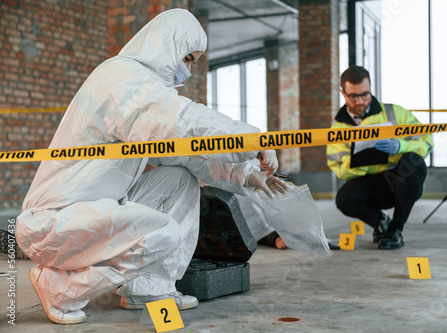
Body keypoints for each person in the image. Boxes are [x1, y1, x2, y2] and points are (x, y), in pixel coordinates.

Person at [15, 9, 288, 325]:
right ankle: (59, 288)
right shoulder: (120, 77)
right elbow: (181, 124)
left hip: (92, 211)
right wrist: (250, 139)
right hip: (53, 222)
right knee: (163, 232)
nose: (188, 69)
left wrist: (247, 174)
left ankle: (148, 288)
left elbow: (185, 153)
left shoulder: (141, 89)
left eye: (193, 62)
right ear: (167, 44)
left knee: (178, 179)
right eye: (187, 58)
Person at [326, 66, 433, 250]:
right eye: (353, 96)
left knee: (412, 160)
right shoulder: (338, 129)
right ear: (343, 93)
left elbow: (427, 141)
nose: (360, 101)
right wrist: (365, 160)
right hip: (374, 185)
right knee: (344, 199)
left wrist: (402, 146)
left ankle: (395, 230)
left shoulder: (395, 113)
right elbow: (341, 171)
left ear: (370, 89)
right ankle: (380, 222)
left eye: (365, 94)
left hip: (403, 180)